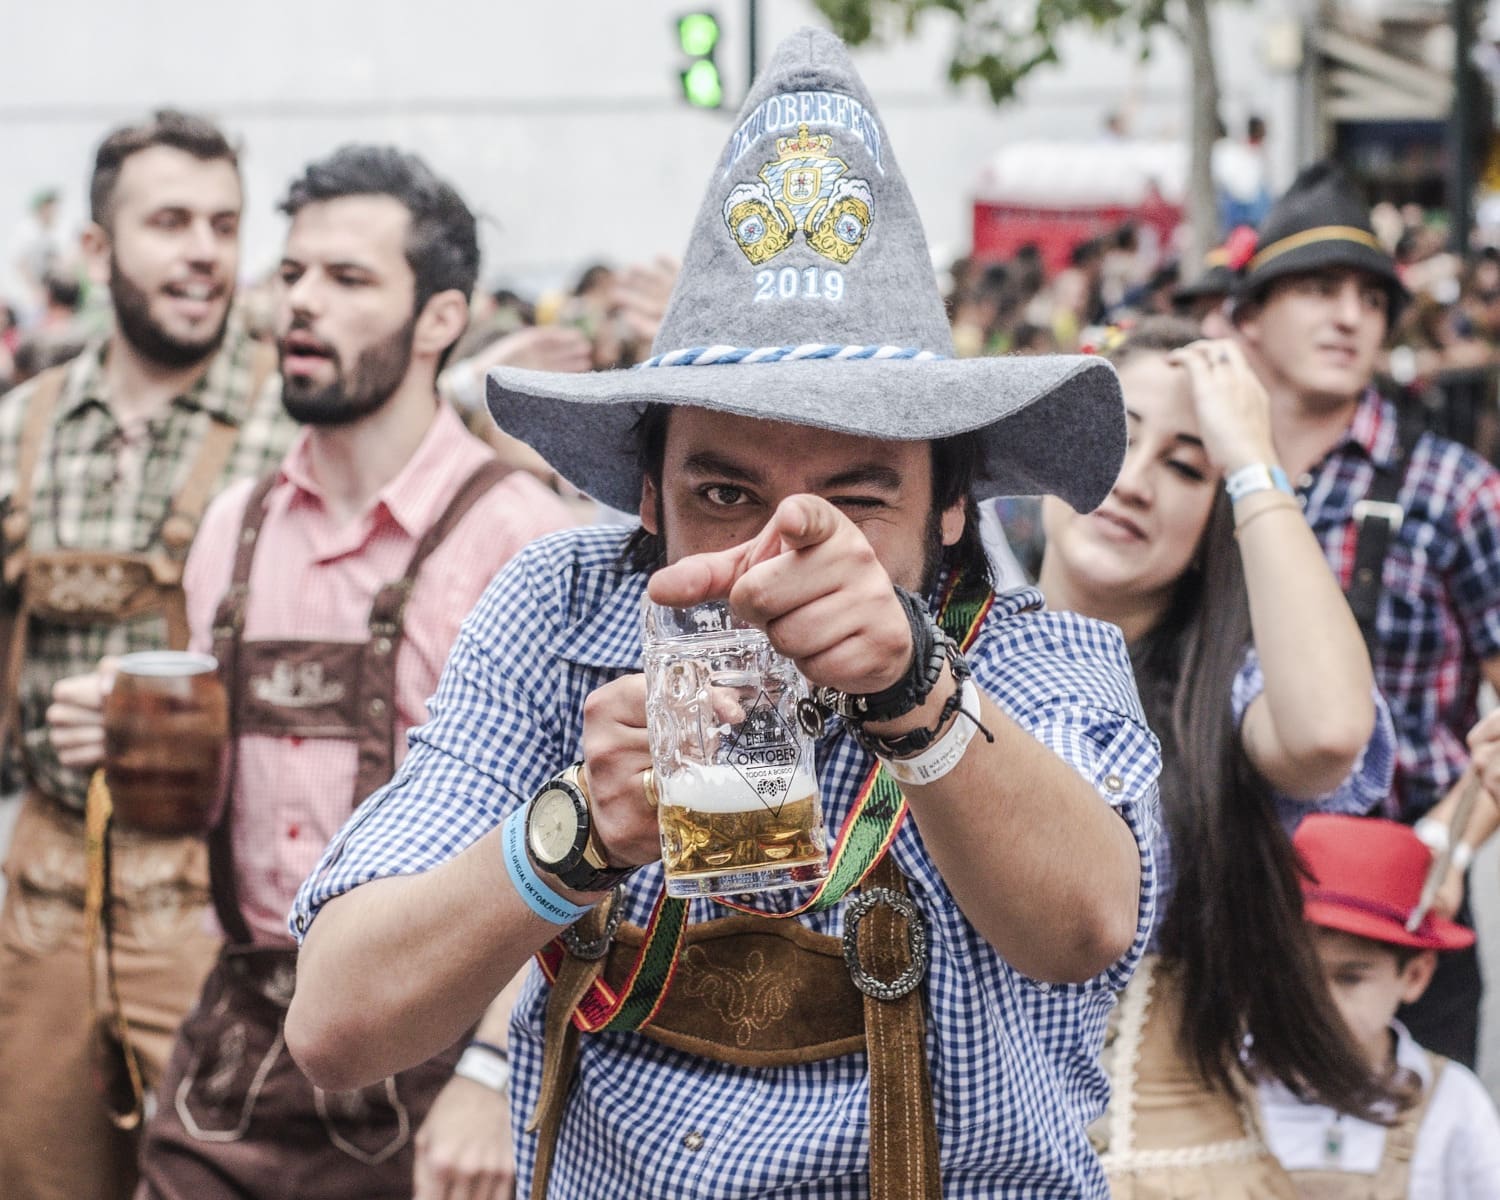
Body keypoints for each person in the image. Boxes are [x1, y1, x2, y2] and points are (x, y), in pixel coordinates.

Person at [286, 28, 1160, 1200]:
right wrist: (576, 837)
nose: (781, 550)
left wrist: (914, 691)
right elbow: (337, 1025)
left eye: (855, 496)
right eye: (724, 492)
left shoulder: (1040, 656)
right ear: (645, 492)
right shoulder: (560, 607)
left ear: (953, 507)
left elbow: (1084, 929)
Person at [48, 144, 577, 1199]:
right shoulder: (234, 530)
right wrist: (133, 738)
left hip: (433, 1061)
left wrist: (491, 1063)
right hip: (239, 1044)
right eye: (292, 274)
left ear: (439, 319)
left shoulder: (520, 539)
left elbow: (583, 841)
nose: (301, 303)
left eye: (347, 279)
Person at [0, 109, 293, 1200]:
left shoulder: (292, 426)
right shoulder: (21, 425)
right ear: (94, 250)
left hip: (216, 891)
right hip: (41, 878)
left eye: (224, 223)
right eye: (170, 222)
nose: (205, 251)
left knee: (225, 1176)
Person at [1038, 318, 1397, 1194]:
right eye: (1116, 439)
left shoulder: (1226, 703)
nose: (1133, 481)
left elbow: (1326, 734)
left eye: (1187, 466)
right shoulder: (931, 660)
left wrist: (1253, 460)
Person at [1232, 161, 1500, 1065]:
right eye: (1316, 289)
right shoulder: (1201, 482)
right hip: (1236, 907)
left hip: (1397, 917)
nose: (1350, 315)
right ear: (1250, 316)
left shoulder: (1457, 491)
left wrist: (1450, 843)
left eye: (1371, 298)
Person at [1258, 813, 1500, 1197]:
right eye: (1298, 975)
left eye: (1349, 977)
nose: (1316, 1003)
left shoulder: (1453, 1107)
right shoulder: (1226, 1087)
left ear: (1415, 976)